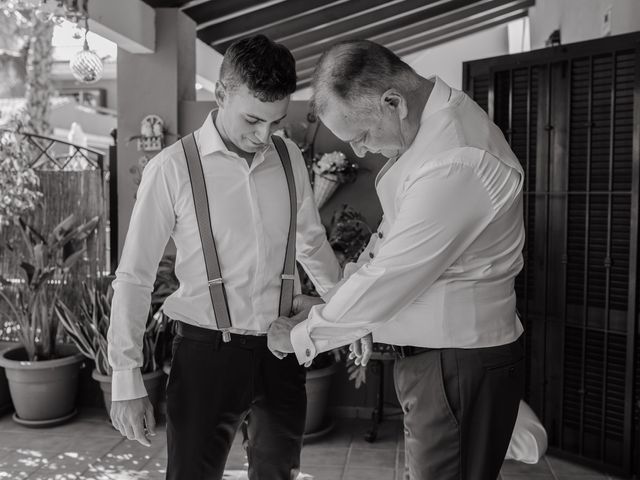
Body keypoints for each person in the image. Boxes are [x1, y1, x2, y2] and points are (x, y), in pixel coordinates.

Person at [268, 40, 526, 480]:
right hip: (439, 362)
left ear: (392, 103)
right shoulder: (430, 132)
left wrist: (303, 335)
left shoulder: (454, 159)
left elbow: (392, 274)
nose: (363, 151)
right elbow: (386, 244)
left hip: (453, 365)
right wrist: (341, 307)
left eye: (362, 135)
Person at [107, 34, 342, 480]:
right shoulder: (172, 168)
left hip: (283, 349)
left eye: (275, 122)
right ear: (220, 95)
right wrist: (125, 379)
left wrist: (349, 310)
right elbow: (134, 277)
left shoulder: (289, 156)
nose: (264, 135)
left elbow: (310, 243)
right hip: (206, 354)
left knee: (279, 475)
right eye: (253, 119)